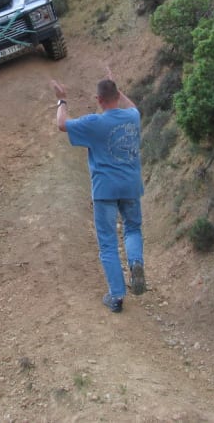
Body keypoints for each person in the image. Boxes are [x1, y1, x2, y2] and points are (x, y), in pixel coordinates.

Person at [51, 72, 146, 313]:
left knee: (108, 243)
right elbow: (133, 106)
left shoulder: (95, 122)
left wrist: (62, 99)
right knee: (132, 229)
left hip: (105, 190)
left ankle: (116, 296)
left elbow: (62, 124)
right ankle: (136, 262)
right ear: (116, 96)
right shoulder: (133, 117)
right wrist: (118, 90)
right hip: (131, 185)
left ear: (98, 99)